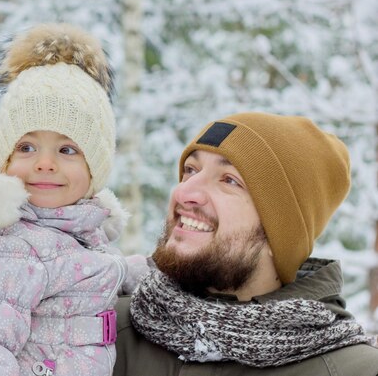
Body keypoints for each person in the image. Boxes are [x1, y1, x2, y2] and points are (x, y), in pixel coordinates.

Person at [0, 23, 147, 376]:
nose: (45, 163)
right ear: (4, 160)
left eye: (67, 149)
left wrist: (138, 272)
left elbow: (77, 273)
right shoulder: (4, 243)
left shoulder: (70, 232)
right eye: (26, 147)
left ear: (95, 168)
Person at [114, 112, 378, 376]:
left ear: (281, 232)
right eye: (190, 170)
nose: (184, 192)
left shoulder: (351, 369)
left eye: (229, 180)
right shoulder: (100, 329)